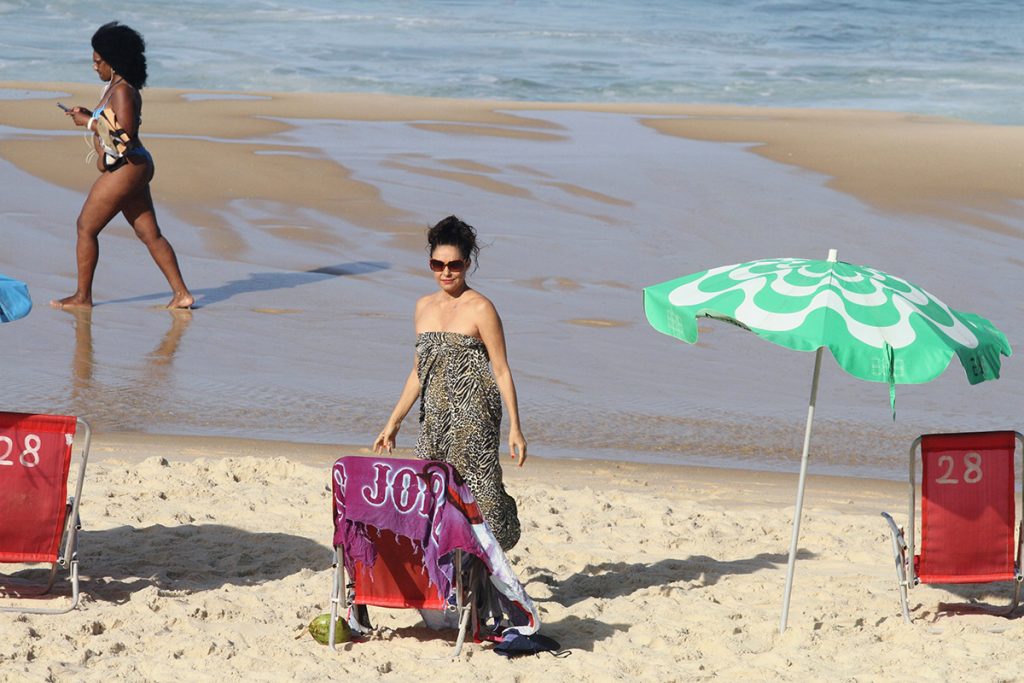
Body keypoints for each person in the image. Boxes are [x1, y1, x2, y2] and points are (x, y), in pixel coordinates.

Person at [374, 216, 527, 551]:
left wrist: (515, 426)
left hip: (475, 416)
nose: (446, 272)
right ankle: (449, 569)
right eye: (437, 264)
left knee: (480, 494)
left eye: (454, 265)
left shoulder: (481, 308)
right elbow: (418, 371)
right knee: (432, 493)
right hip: (435, 417)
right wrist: (393, 422)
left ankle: (491, 554)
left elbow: (501, 369)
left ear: (467, 264)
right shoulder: (422, 307)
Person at [52, 22, 193, 310]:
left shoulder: (122, 91)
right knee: (149, 234)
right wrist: (89, 114)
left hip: (128, 166)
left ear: (113, 61)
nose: (94, 67)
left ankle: (82, 297)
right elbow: (113, 123)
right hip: (134, 166)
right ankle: (182, 295)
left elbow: (124, 136)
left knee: (85, 227)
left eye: (98, 61)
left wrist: (90, 123)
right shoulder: (115, 88)